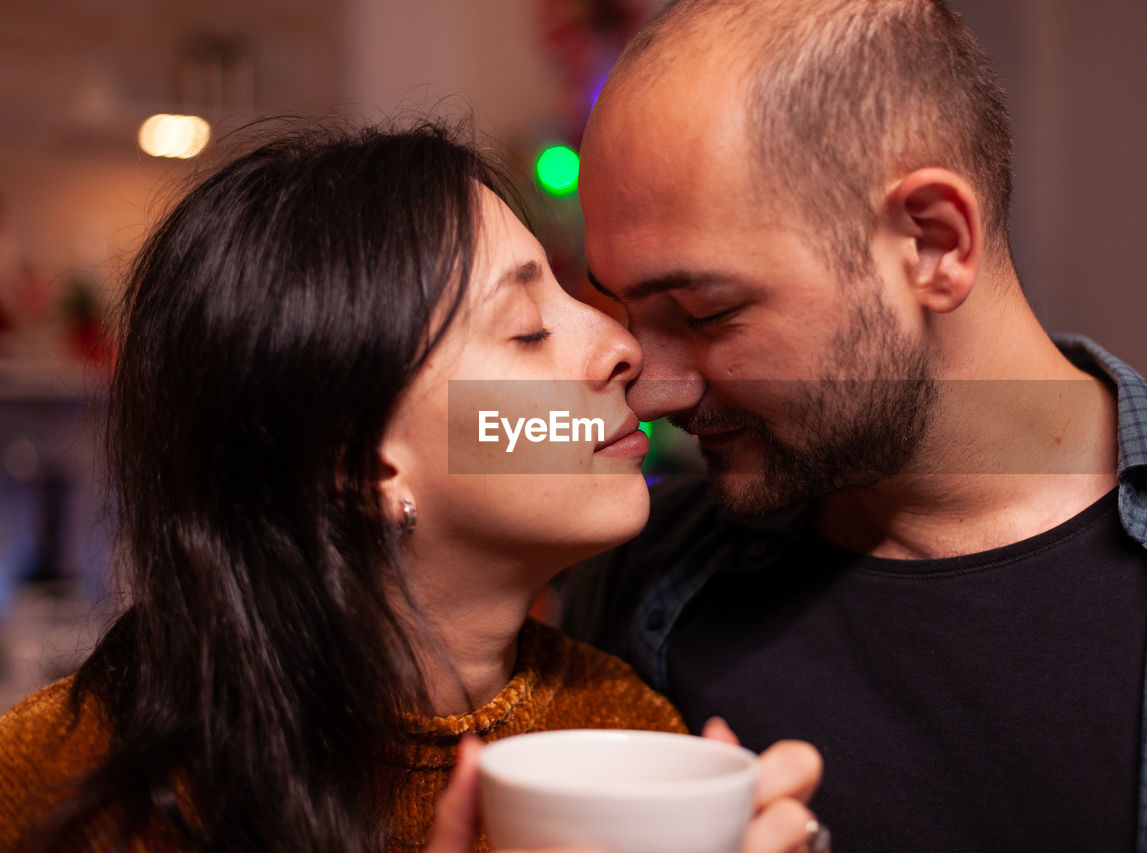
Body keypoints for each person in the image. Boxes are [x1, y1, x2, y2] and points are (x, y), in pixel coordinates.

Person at [561, 1, 1147, 851]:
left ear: (932, 243)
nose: (654, 389)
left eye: (704, 311)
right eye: (631, 313)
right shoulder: (637, 580)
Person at [0, 120, 822, 853]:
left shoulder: (622, 740)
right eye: (529, 331)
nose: (620, 344)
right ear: (360, 464)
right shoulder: (54, 781)